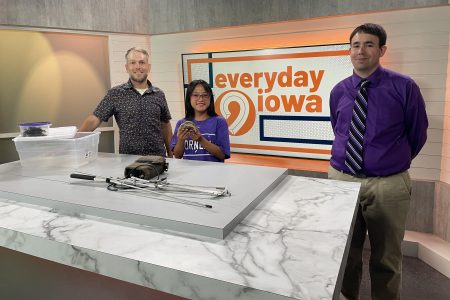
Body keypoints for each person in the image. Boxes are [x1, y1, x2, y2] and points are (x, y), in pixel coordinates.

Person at [328, 23, 428, 300]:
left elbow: (417, 133)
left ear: (382, 50)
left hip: (388, 185)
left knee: (386, 257)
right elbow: (338, 128)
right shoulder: (339, 91)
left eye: (369, 44)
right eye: (356, 45)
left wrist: (389, 162)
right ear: (349, 51)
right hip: (342, 180)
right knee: (345, 253)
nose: (361, 51)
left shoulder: (404, 87)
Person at [79, 47, 173, 157]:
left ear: (148, 67)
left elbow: (165, 126)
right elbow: (94, 119)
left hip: (157, 160)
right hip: (128, 161)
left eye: (142, 62)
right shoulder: (115, 93)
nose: (138, 67)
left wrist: (171, 155)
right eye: (133, 63)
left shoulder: (159, 94)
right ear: (127, 67)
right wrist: (75, 140)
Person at [171, 79, 230, 162]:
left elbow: (222, 155)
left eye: (205, 95)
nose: (200, 99)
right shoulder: (181, 123)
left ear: (210, 98)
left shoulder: (219, 122)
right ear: (189, 98)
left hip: (214, 173)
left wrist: (200, 139)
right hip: (189, 172)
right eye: (195, 95)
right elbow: (177, 155)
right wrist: (181, 139)